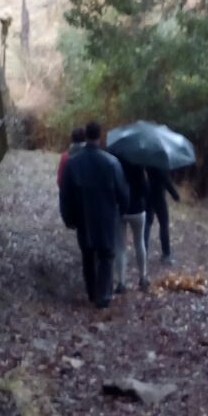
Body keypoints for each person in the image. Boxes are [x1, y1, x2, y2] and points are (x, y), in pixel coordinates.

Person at [59, 121, 129, 308]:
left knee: (87, 255)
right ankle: (104, 295)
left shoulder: (73, 163)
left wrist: (68, 217)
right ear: (100, 136)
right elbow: (122, 192)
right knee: (106, 255)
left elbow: (65, 194)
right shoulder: (111, 163)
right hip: (106, 217)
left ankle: (91, 292)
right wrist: (122, 210)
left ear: (86, 136)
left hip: (83, 216)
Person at [110, 152, 150, 293]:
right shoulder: (139, 165)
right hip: (138, 209)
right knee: (139, 243)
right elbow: (145, 189)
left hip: (121, 210)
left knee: (120, 247)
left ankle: (121, 282)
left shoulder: (116, 165)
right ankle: (143, 278)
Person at [144, 165, 180, 263]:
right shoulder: (161, 165)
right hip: (159, 197)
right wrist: (175, 195)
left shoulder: (148, 162)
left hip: (149, 196)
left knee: (147, 224)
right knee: (164, 225)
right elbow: (166, 181)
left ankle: (144, 252)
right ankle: (166, 253)